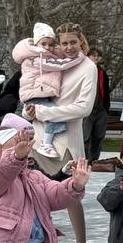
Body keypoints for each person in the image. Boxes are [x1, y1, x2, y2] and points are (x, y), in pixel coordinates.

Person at [24, 23, 97, 243]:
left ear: (81, 41)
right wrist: (30, 110)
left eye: (73, 42)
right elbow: (36, 92)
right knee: (34, 189)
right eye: (63, 43)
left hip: (67, 137)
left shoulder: (88, 67)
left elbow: (84, 107)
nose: (68, 47)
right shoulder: (51, 61)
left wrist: (45, 112)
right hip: (40, 135)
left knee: (71, 191)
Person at [12, 23, 84, 158]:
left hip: (39, 94)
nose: (47, 47)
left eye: (51, 44)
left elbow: (59, 53)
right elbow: (59, 65)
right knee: (54, 116)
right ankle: (46, 144)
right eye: (43, 44)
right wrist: (78, 58)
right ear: (36, 44)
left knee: (51, 116)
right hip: (36, 95)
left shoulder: (45, 55)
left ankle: (43, 142)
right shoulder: (36, 58)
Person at [85, 47, 111, 160]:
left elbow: (106, 91)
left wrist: (106, 108)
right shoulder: (84, 70)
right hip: (87, 110)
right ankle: (84, 161)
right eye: (93, 55)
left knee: (98, 137)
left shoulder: (102, 72)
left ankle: (94, 161)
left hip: (101, 109)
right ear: (88, 56)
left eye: (98, 56)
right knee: (85, 137)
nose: (95, 58)